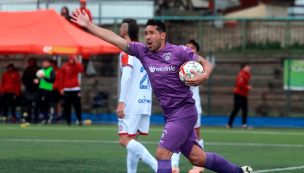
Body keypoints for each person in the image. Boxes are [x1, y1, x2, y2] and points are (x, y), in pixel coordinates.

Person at [70, 8, 253, 173]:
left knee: (162, 154)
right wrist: (88, 25)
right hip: (170, 113)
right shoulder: (142, 52)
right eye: (145, 33)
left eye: (152, 33)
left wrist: (203, 76)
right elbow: (115, 38)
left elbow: (207, 63)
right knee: (198, 158)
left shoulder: (179, 52)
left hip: (184, 111)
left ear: (162, 35)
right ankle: (239, 172)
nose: (147, 36)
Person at [116, 18, 157, 173]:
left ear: (123, 31)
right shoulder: (144, 50)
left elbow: (126, 76)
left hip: (131, 103)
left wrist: (121, 102)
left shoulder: (127, 49)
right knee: (132, 140)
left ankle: (158, 166)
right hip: (144, 101)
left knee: (124, 140)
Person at [171, 40, 204, 173]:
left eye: (192, 48)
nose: (189, 49)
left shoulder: (197, 66)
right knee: (175, 134)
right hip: (179, 105)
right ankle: (174, 166)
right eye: (187, 47)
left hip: (194, 105)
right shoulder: (178, 64)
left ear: (196, 52)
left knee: (196, 135)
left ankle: (199, 165)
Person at [59, 55, 84, 126]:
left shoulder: (77, 66)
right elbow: (61, 78)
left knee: (77, 105)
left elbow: (81, 70)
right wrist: (61, 88)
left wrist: (77, 62)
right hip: (67, 89)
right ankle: (68, 121)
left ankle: (79, 120)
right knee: (67, 106)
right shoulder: (64, 67)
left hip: (75, 88)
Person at [227, 63, 251, 130]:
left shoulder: (246, 74)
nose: (249, 68)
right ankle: (229, 124)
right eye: (247, 66)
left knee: (245, 110)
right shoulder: (241, 74)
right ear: (244, 67)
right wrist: (247, 87)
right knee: (236, 109)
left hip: (244, 95)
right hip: (239, 95)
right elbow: (240, 85)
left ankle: (244, 125)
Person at [34, 59, 55, 125]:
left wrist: (44, 77)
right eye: (44, 63)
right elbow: (37, 77)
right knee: (38, 103)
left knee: (45, 104)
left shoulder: (51, 70)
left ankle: (46, 118)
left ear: (49, 64)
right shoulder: (41, 70)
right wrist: (36, 80)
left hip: (48, 89)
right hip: (41, 89)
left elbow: (52, 80)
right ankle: (47, 116)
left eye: (46, 63)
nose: (45, 64)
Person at [22, 57, 40, 122]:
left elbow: (41, 78)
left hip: (36, 89)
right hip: (28, 89)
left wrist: (37, 82)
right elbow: (23, 79)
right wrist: (27, 84)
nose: (31, 63)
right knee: (28, 104)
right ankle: (29, 116)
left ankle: (36, 116)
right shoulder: (27, 69)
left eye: (32, 61)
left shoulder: (38, 69)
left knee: (36, 104)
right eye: (30, 61)